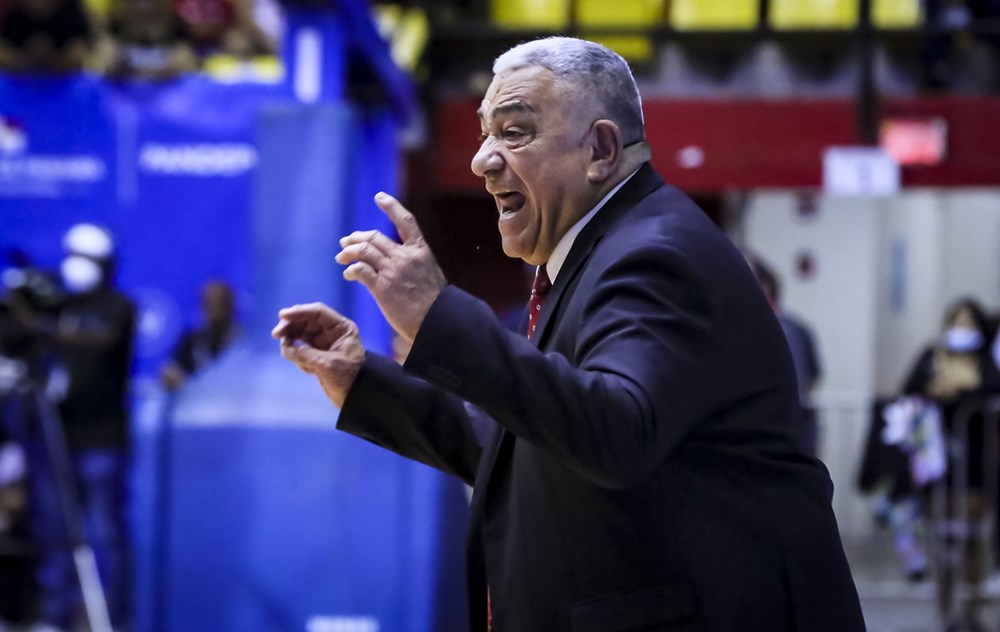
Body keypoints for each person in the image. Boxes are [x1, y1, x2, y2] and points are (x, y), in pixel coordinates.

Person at [274, 37, 864, 631]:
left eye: (513, 132)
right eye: (484, 133)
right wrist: (362, 382)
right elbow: (521, 442)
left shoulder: (656, 254)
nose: (482, 160)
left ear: (600, 149)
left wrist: (438, 316)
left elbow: (614, 431)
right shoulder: (601, 253)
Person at [11, 224, 135, 631]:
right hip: (57, 437)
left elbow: (99, 340)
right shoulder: (61, 305)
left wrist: (39, 326)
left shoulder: (118, 307)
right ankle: (55, 617)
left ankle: (111, 619)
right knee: (55, 530)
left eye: (87, 259)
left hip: (101, 440)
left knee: (104, 534)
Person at [902, 297, 1000, 631]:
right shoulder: (932, 355)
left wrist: (959, 392)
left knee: (973, 537)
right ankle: (945, 609)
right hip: (938, 464)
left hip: (975, 463)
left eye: (969, 322)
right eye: (958, 321)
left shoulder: (984, 359)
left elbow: (992, 388)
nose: (962, 328)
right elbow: (911, 388)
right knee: (943, 538)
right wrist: (938, 391)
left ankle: (970, 610)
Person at [747, 255, 824, 457]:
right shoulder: (793, 327)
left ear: (764, 288)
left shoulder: (783, 331)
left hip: (776, 436)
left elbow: (799, 383)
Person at [161, 279, 238, 391]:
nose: (213, 308)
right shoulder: (192, 339)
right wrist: (173, 376)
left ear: (229, 305)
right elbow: (170, 369)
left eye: (219, 303)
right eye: (208, 303)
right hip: (199, 398)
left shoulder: (242, 340)